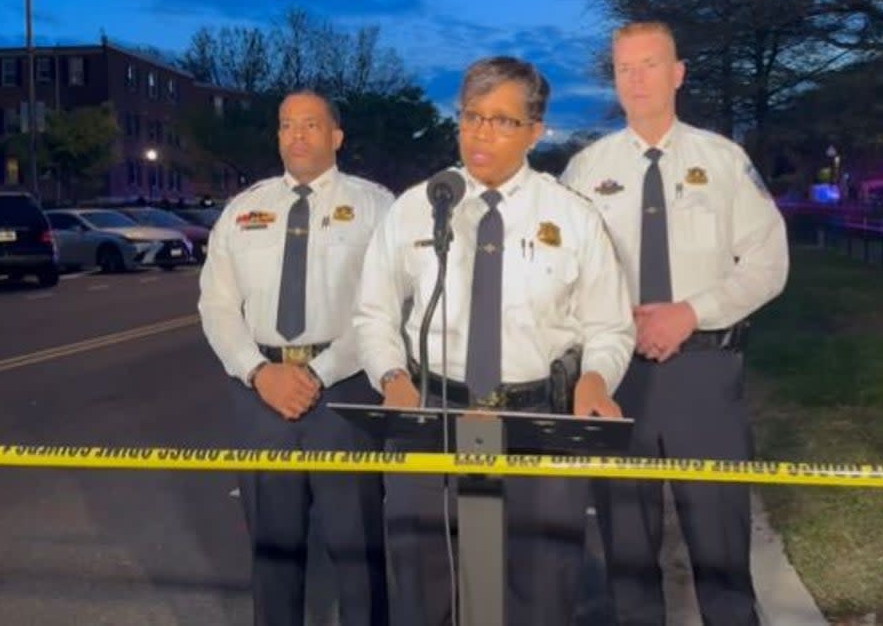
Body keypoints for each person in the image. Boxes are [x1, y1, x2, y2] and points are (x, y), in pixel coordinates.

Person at [353, 56, 635, 626]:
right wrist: (392, 377)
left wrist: (596, 379)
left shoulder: (573, 217)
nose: (482, 133)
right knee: (421, 590)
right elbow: (373, 313)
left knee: (541, 594)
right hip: (429, 418)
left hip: (539, 424)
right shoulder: (415, 208)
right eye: (472, 116)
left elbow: (609, 325)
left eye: (503, 121)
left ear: (535, 131)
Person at [562, 21, 789, 626]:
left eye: (649, 64)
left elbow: (770, 264)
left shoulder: (723, 161)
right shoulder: (585, 171)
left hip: (705, 377)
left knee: (721, 554)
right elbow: (563, 273)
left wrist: (691, 313)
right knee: (628, 558)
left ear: (678, 73)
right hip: (617, 381)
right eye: (624, 68)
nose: (636, 79)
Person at [198, 89, 391, 626]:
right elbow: (216, 304)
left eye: (310, 124)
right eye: (287, 125)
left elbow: (386, 306)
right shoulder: (243, 210)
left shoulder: (378, 208)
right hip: (261, 393)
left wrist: (316, 372)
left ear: (336, 136)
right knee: (272, 550)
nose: (298, 135)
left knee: (357, 549)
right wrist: (258, 371)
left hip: (345, 390)